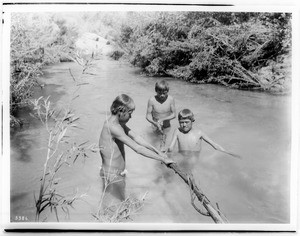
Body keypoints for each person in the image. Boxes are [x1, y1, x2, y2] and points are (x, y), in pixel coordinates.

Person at [99, 94, 174, 201]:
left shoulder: (118, 124)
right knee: (113, 207)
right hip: (111, 176)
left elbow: (137, 137)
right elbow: (137, 149)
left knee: (119, 205)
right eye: (130, 113)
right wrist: (163, 159)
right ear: (121, 111)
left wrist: (158, 152)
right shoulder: (113, 127)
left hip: (117, 174)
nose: (131, 116)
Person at [166, 109, 240, 159]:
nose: (184, 125)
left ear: (192, 121)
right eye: (181, 122)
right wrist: (167, 155)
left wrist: (228, 152)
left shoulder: (199, 133)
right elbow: (171, 147)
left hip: (193, 158)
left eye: (186, 122)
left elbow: (215, 145)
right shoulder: (177, 131)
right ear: (178, 121)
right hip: (181, 157)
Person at [146, 80, 176, 149]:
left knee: (164, 143)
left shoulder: (170, 99)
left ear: (167, 91)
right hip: (155, 125)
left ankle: (164, 153)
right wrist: (154, 123)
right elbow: (148, 115)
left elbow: (174, 114)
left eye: (164, 93)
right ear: (156, 90)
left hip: (166, 126)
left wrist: (162, 119)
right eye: (159, 93)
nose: (162, 95)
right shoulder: (152, 100)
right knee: (154, 141)